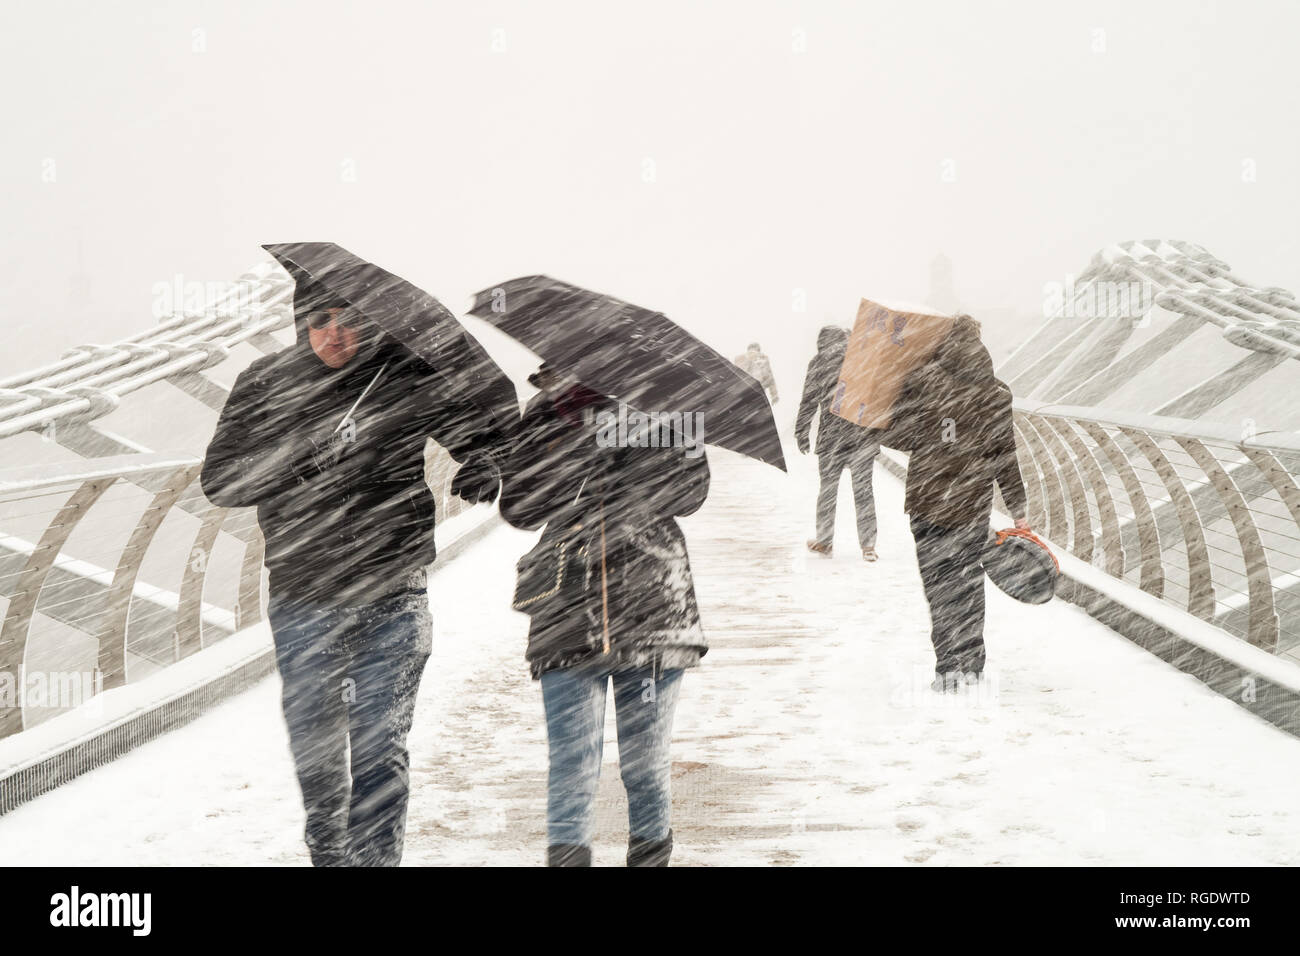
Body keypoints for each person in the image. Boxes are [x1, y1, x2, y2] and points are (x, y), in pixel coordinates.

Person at [200, 280, 513, 866]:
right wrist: (300, 457)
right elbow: (219, 481)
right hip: (304, 593)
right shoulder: (264, 382)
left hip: (395, 587)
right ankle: (329, 857)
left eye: (351, 320)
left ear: (371, 323)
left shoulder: (404, 376)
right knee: (318, 758)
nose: (336, 334)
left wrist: (485, 463)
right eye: (322, 320)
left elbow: (481, 435)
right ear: (302, 322)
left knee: (380, 749)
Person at [499, 364, 710, 867]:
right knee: (572, 765)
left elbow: (692, 493)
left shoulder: (666, 406)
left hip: (654, 605)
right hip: (567, 607)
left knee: (645, 766)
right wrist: (565, 453)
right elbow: (519, 509)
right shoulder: (545, 413)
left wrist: (634, 445)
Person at [878, 315, 1029, 692]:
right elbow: (1003, 454)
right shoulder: (996, 393)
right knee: (968, 583)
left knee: (938, 585)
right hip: (971, 502)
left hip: (928, 500)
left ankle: (947, 668)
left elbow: (896, 435)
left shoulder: (921, 380)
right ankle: (972, 664)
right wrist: (1018, 506)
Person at [795, 326, 881, 561]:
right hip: (862, 435)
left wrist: (801, 430)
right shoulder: (863, 358)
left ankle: (824, 540)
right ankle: (868, 545)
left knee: (828, 491)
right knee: (864, 492)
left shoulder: (820, 361)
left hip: (832, 436)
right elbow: (879, 395)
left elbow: (809, 398)